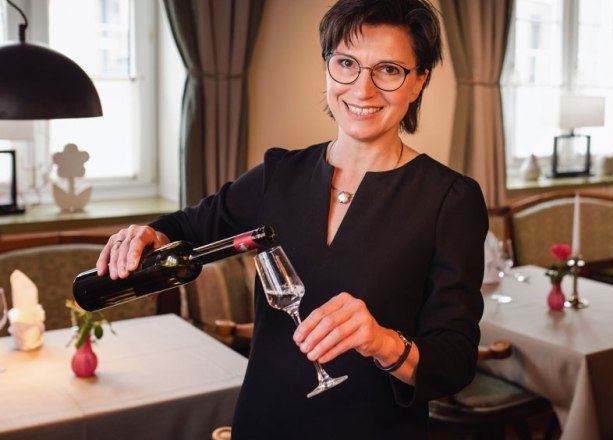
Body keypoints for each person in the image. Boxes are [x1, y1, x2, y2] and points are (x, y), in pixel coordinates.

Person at [96, 0, 488, 437]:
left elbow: (455, 361)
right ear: (327, 68)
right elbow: (183, 228)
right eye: (346, 63)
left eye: (389, 70)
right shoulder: (278, 175)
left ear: (418, 82)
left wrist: (382, 341)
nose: (363, 89)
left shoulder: (451, 199)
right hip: (263, 422)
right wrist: (146, 235)